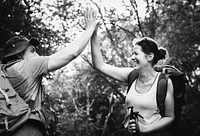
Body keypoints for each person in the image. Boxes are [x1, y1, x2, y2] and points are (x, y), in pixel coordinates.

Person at [2, 7, 98, 136]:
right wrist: (90, 29)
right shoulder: (27, 66)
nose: (37, 54)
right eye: (32, 51)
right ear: (19, 55)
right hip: (27, 129)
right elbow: (72, 53)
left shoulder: (6, 72)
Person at [90, 27, 174, 136]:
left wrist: (145, 129)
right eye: (132, 54)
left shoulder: (164, 82)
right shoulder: (132, 75)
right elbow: (99, 65)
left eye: (136, 54)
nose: (132, 58)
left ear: (149, 57)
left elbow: (170, 117)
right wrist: (93, 33)